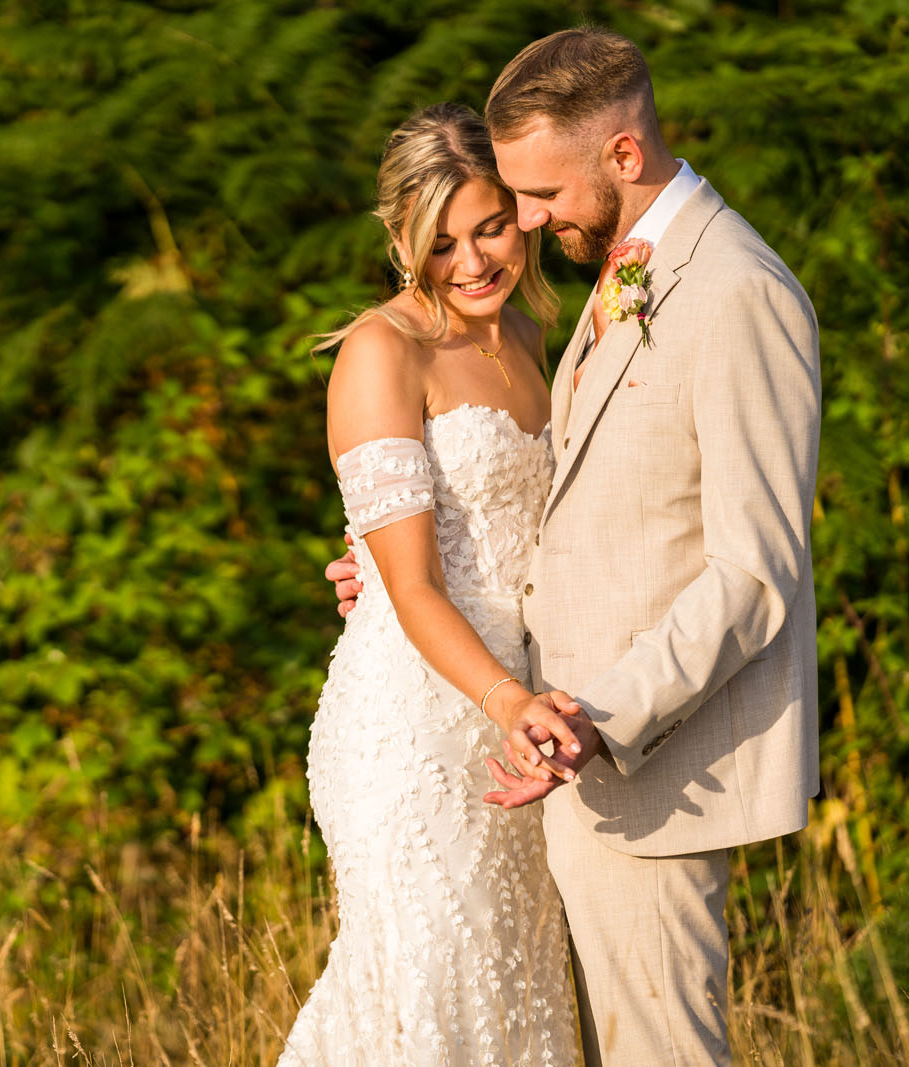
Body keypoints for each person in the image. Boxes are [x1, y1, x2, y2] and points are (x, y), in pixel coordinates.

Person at [327, 28, 822, 1067]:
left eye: (524, 209)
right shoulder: (607, 279)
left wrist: (599, 720)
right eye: (457, 233)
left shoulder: (734, 287)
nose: (521, 235)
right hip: (500, 733)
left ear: (622, 158)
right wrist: (384, 572)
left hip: (620, 742)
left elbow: (753, 569)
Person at [278, 102, 577, 1066]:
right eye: (441, 244)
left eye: (491, 226)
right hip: (414, 724)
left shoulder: (528, 331)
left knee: (510, 996)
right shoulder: (383, 350)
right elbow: (410, 589)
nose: (475, 262)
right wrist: (511, 701)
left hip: (514, 717)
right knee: (423, 1001)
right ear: (404, 243)